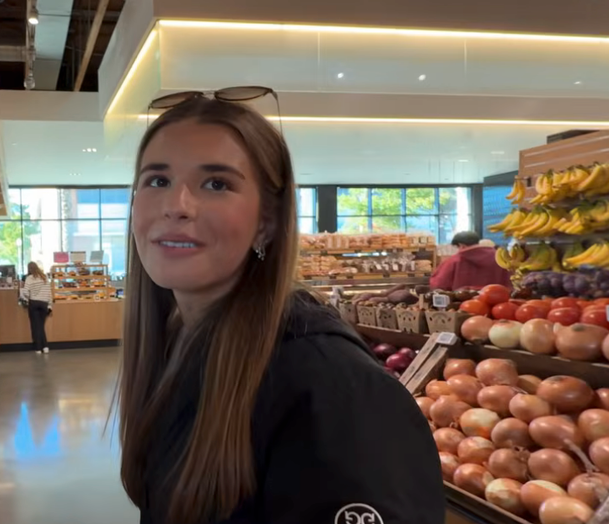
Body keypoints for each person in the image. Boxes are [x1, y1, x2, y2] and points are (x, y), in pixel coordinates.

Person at [118, 97, 444, 524]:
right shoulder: (181, 340)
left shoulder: (329, 386)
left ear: (267, 222)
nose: (176, 204)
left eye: (216, 184)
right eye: (157, 180)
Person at [430, 231, 512, 291]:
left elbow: (438, 285)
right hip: (499, 303)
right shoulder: (500, 258)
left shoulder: (453, 261)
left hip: (462, 305)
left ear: (461, 245)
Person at [21, 261, 52, 354]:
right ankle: (45, 347)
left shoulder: (29, 278)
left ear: (29, 269)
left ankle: (38, 348)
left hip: (34, 303)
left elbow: (25, 292)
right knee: (41, 326)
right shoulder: (44, 277)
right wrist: (50, 305)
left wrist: (28, 296)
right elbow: (49, 292)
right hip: (44, 304)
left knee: (36, 326)